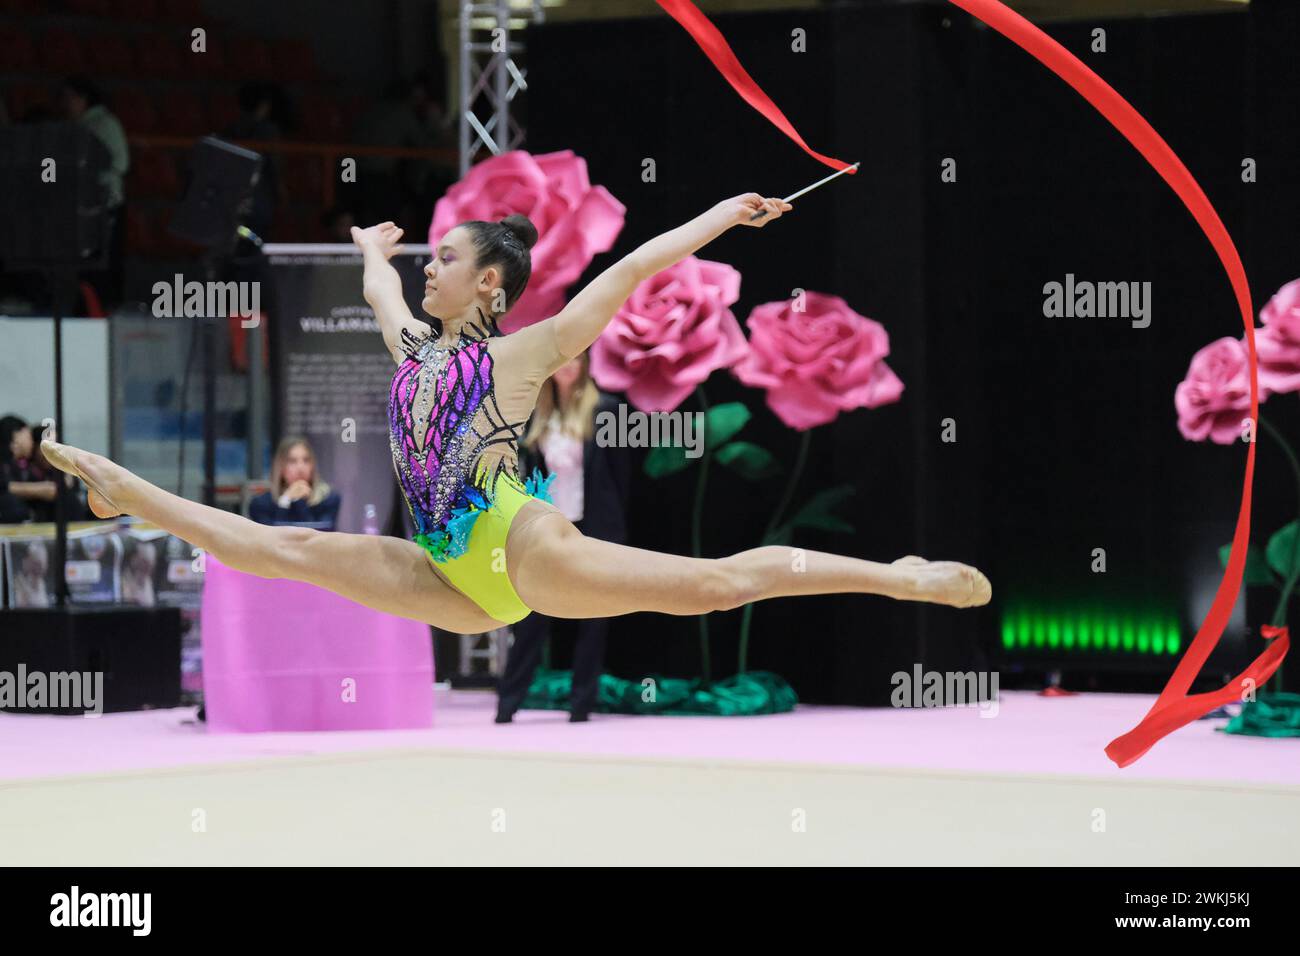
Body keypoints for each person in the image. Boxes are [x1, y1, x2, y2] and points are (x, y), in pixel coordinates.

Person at [40, 193, 991, 651]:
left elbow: (625, 276)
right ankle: (126, 492)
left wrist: (719, 219)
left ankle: (895, 577)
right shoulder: (415, 348)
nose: (428, 267)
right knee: (281, 548)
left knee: (710, 588)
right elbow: (377, 285)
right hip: (450, 574)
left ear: (487, 282)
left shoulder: (519, 356)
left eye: (442, 258)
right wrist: (374, 247)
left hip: (517, 540)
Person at [495, 352, 630, 722]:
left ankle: (581, 707)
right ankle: (507, 706)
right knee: (533, 615)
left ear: (586, 365)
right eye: (561, 361)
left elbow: (621, 478)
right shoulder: (540, 415)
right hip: (550, 527)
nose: (567, 366)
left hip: (594, 528)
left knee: (594, 617)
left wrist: (614, 530)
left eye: (575, 360)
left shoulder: (607, 410)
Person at [59, 75, 128, 311]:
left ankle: (100, 311)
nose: (65, 104)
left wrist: (91, 181)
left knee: (102, 269)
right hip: (84, 210)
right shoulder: (78, 126)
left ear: (83, 99)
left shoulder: (105, 124)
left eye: (69, 98)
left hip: (104, 208)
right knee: (87, 269)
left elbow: (120, 163)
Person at [248, 437, 341, 530]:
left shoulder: (329, 498)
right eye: (292, 461)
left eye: (306, 460)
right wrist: (285, 501)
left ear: (313, 466)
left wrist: (300, 501)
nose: (300, 468)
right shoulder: (260, 504)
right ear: (281, 467)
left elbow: (318, 536)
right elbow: (273, 539)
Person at [0, 416, 57, 523]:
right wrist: (40, 490)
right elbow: (3, 486)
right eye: (28, 436)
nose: (31, 442)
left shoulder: (24, 465)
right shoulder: (5, 463)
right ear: (16, 435)